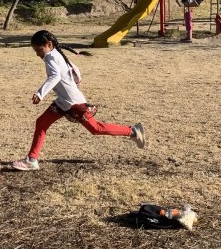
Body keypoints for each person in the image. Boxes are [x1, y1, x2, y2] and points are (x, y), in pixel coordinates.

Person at [12, 30, 146, 171]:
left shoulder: (51, 57)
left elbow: (55, 76)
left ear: (49, 44)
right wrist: (76, 80)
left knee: (96, 128)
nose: (37, 54)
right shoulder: (57, 54)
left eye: (39, 50)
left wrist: (40, 94)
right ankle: (32, 160)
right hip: (63, 102)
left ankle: (133, 131)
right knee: (41, 122)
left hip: (73, 103)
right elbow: (73, 69)